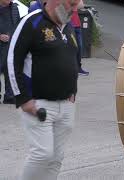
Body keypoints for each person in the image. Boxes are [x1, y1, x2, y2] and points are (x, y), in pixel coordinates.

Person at [7, 0, 79, 178]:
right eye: (72, 4)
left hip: (66, 104)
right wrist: (23, 98)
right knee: (42, 154)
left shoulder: (67, 27)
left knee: (56, 157)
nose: (75, 9)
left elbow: (73, 59)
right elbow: (12, 59)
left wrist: (73, 91)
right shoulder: (32, 22)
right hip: (39, 103)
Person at [0, 0, 20, 104]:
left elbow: (17, 24)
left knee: (10, 69)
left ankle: (9, 96)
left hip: (10, 44)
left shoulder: (15, 8)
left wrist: (13, 36)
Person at [71, 0, 89, 76]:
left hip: (76, 24)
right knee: (72, 47)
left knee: (79, 47)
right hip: (69, 24)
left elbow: (81, 5)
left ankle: (78, 67)